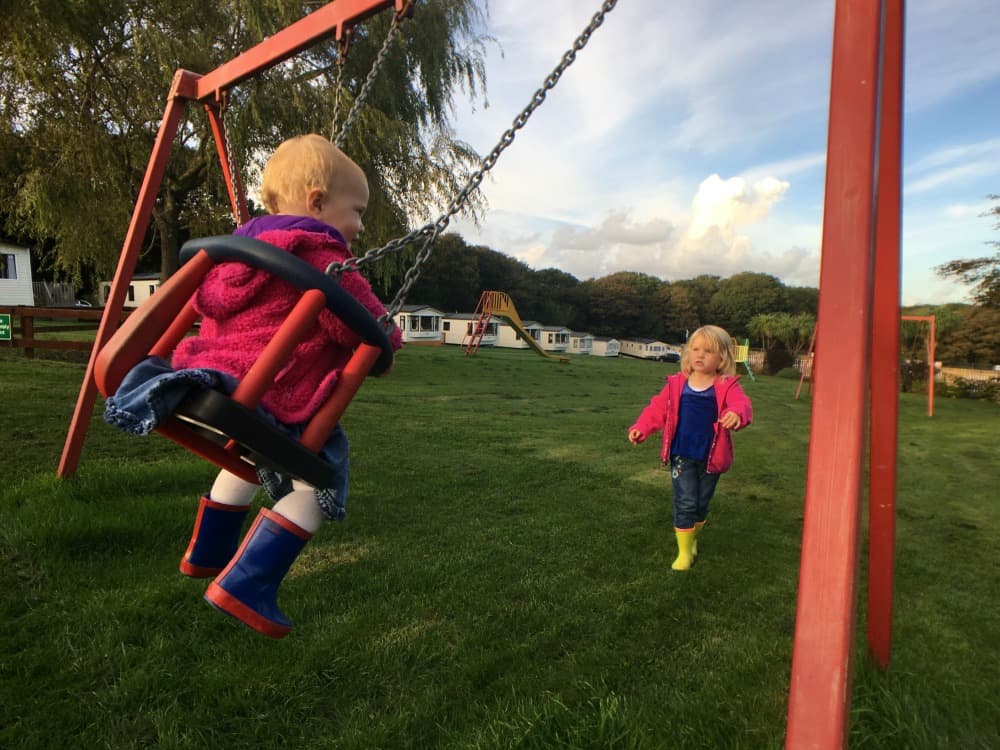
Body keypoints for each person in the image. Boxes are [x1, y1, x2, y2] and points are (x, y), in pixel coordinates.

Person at [104, 134, 402, 637]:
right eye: (358, 211)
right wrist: (389, 338)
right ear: (317, 203)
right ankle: (247, 585)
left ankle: (208, 553)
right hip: (269, 392)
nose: (362, 226)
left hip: (205, 375)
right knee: (320, 478)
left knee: (247, 454)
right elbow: (362, 328)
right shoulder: (322, 254)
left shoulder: (237, 249)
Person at [627, 325, 752, 571]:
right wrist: (642, 427)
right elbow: (657, 409)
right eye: (695, 349)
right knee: (685, 502)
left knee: (700, 505)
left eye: (707, 351)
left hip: (711, 457)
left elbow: (742, 405)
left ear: (722, 357)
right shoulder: (677, 384)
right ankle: (684, 553)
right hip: (682, 453)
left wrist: (736, 414)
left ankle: (692, 539)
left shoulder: (726, 385)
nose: (700, 355)